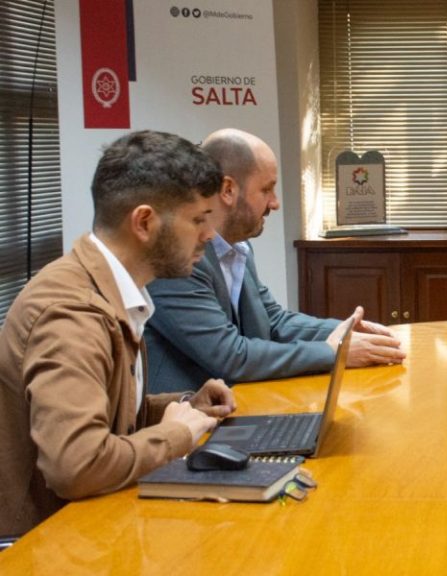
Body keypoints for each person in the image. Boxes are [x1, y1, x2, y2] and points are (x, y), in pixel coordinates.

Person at [0, 130, 238, 537]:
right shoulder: (71, 312)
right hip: (45, 544)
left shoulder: (107, 288)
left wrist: (180, 406)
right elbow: (77, 465)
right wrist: (176, 434)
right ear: (144, 222)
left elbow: (105, 414)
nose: (209, 235)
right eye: (198, 219)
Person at [145, 129, 406, 394]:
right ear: (227, 190)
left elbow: (272, 320)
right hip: (186, 421)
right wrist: (333, 351)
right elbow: (230, 356)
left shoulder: (238, 248)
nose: (275, 203)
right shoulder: (179, 258)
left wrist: (343, 330)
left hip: (235, 405)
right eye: (266, 189)